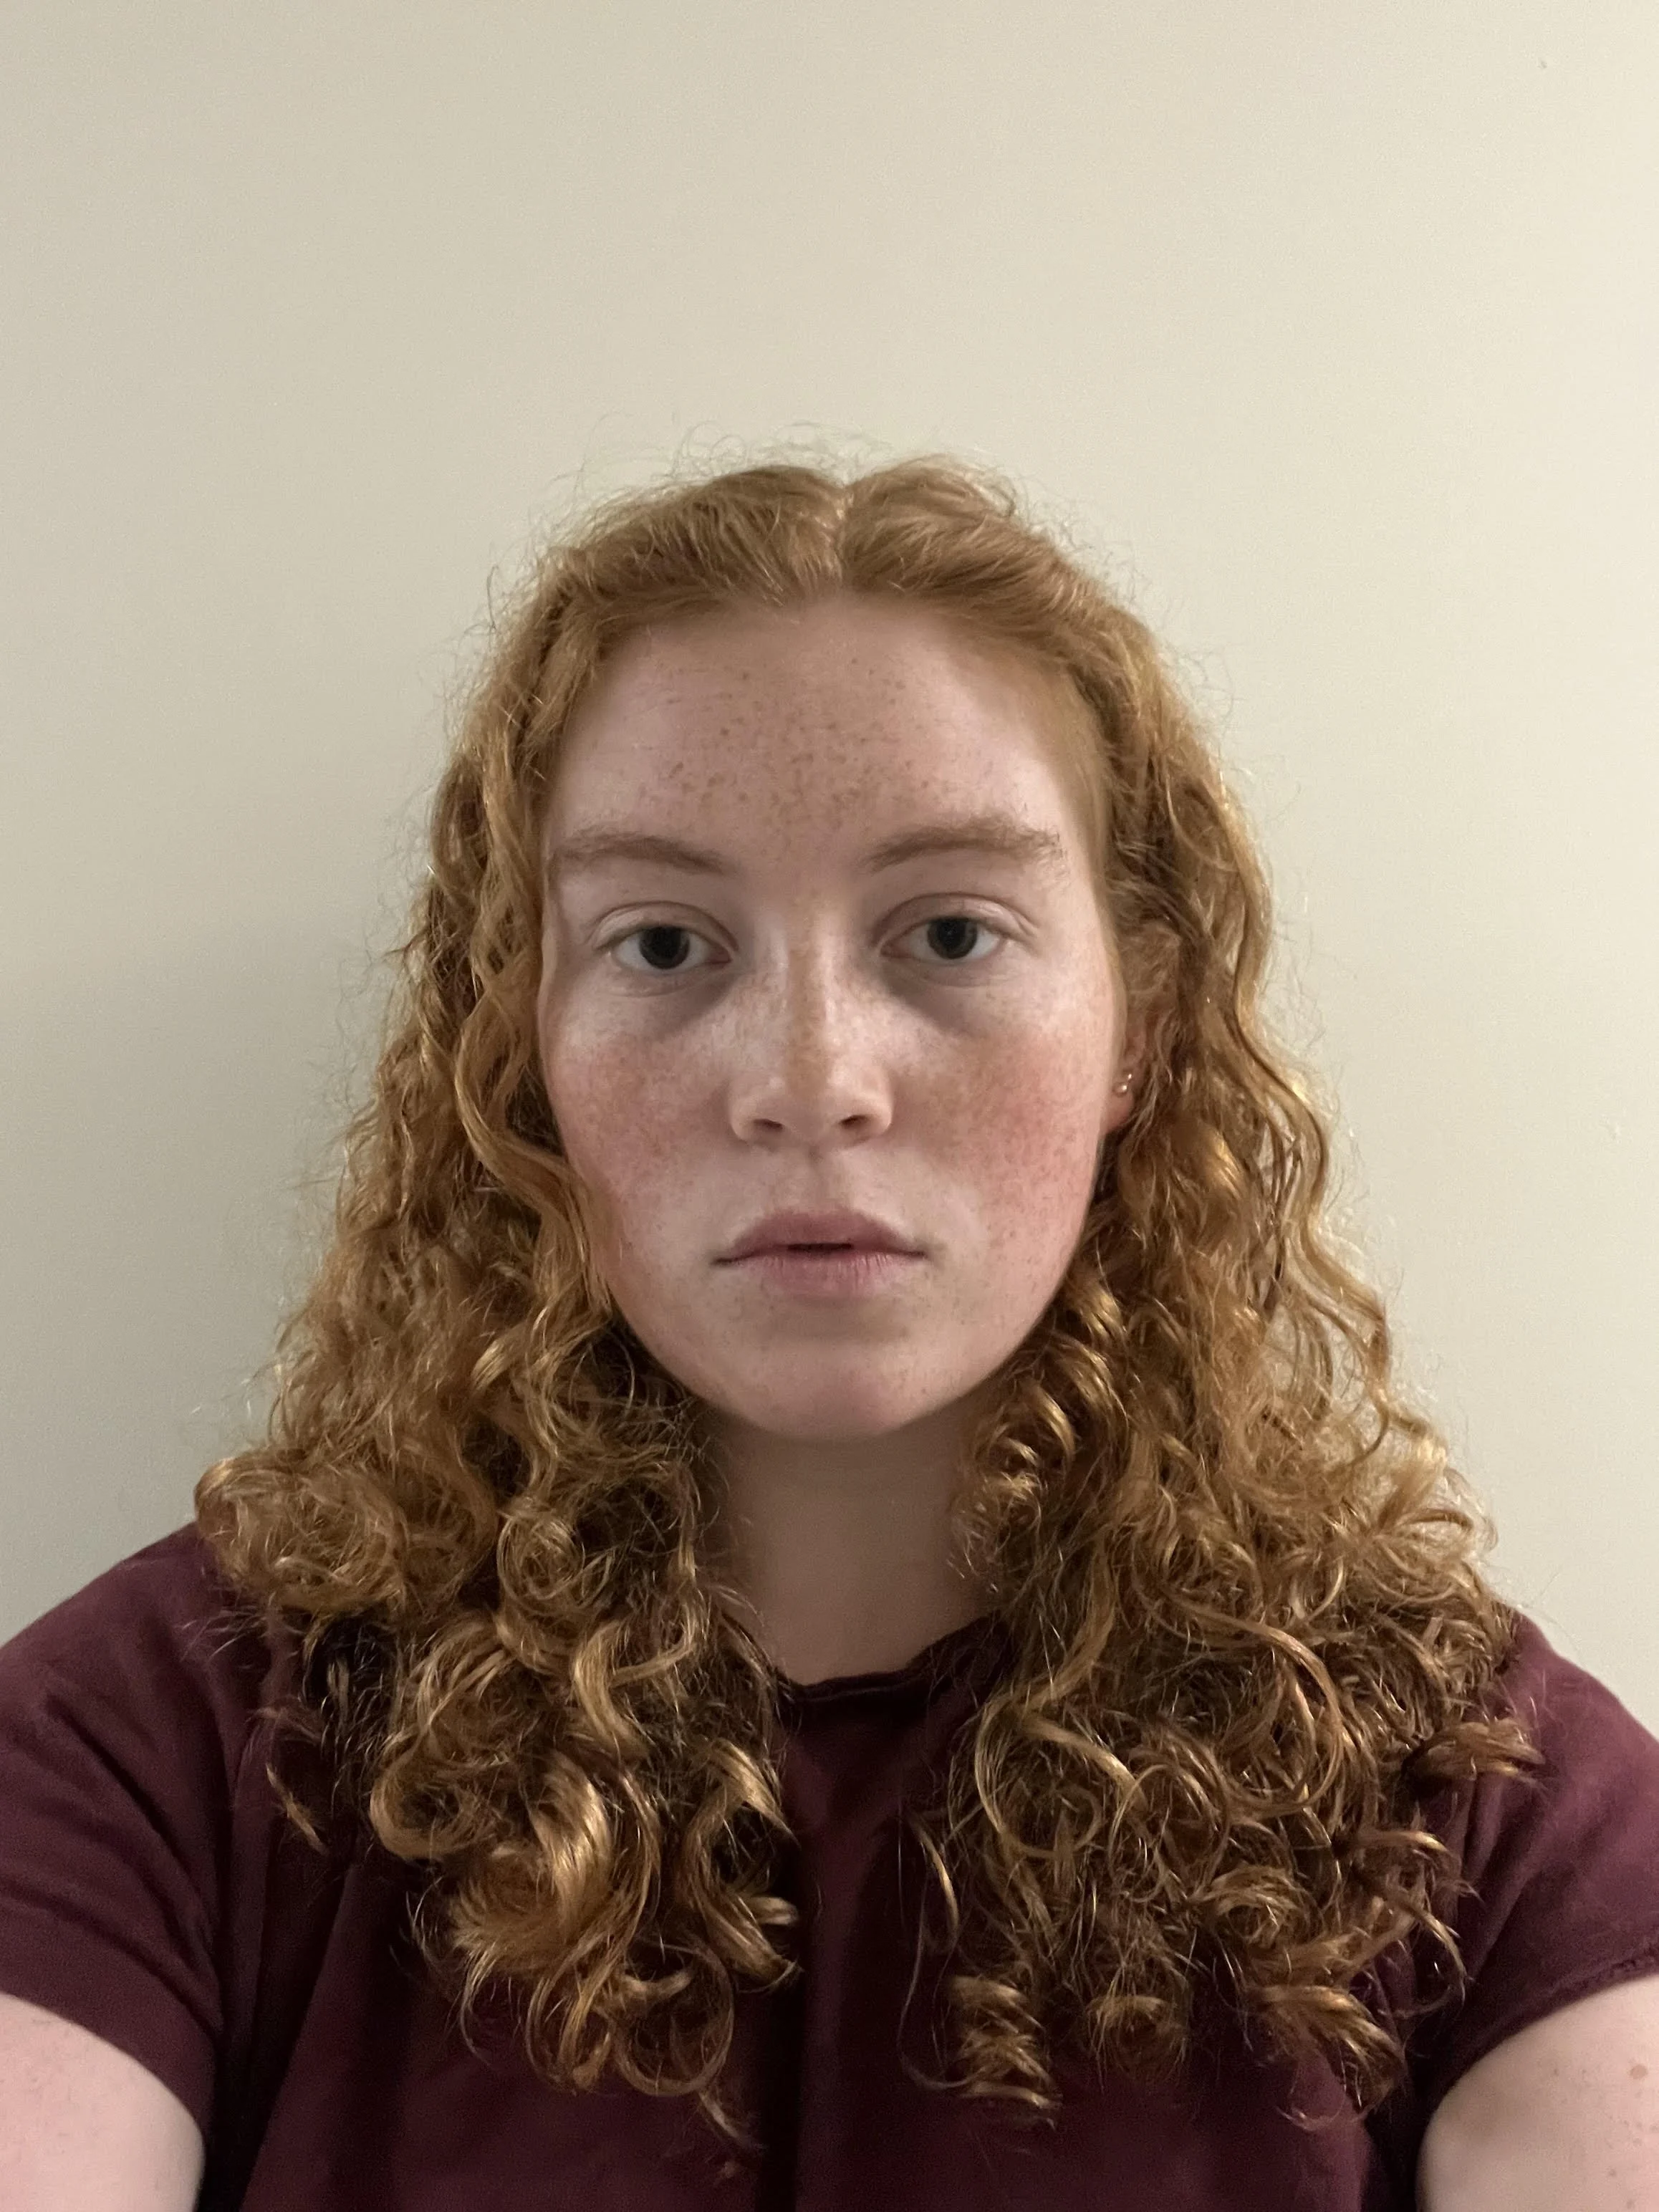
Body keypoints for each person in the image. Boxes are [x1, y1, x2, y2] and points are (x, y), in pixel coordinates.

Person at [1, 456, 1657, 2212]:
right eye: (663, 944)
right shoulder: (160, 1748)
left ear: (1146, 1027)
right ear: (520, 1044)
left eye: (950, 930)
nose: (810, 1078)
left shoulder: (1484, 1809)